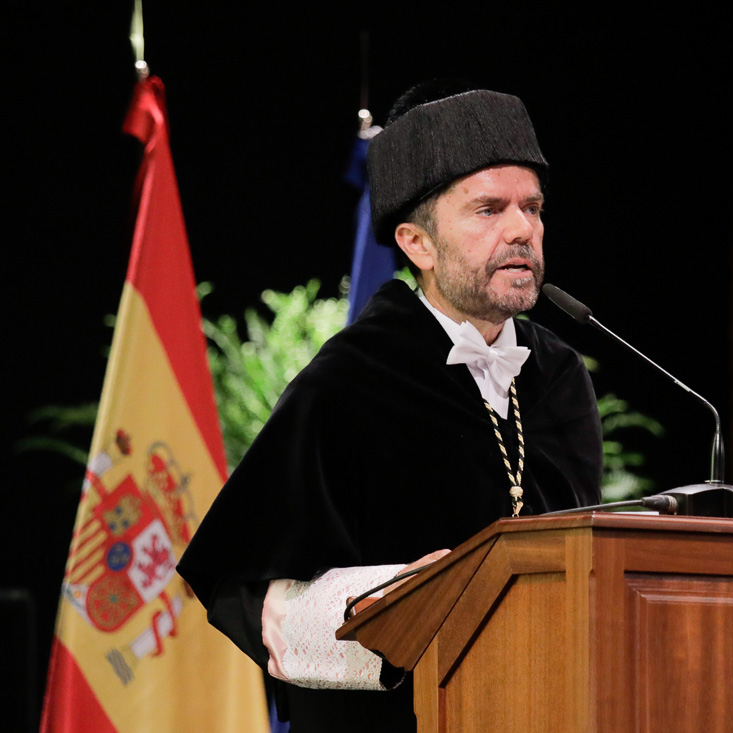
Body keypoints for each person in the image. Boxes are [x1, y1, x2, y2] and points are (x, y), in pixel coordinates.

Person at [177, 82, 604, 732]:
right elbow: (240, 582)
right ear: (417, 245)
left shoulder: (561, 377)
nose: (523, 230)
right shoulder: (351, 380)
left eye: (533, 207)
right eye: (489, 209)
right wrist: (399, 597)